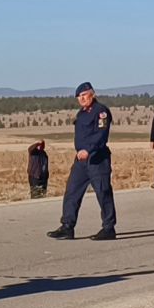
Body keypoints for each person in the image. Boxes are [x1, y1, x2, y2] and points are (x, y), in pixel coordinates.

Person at [47, 82, 117, 241]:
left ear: (92, 94)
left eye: (84, 95)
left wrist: (89, 149)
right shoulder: (81, 113)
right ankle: (67, 226)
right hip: (81, 161)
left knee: (103, 192)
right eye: (79, 96)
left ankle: (108, 228)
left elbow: (101, 134)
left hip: (97, 159)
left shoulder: (101, 112)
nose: (82, 99)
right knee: (72, 191)